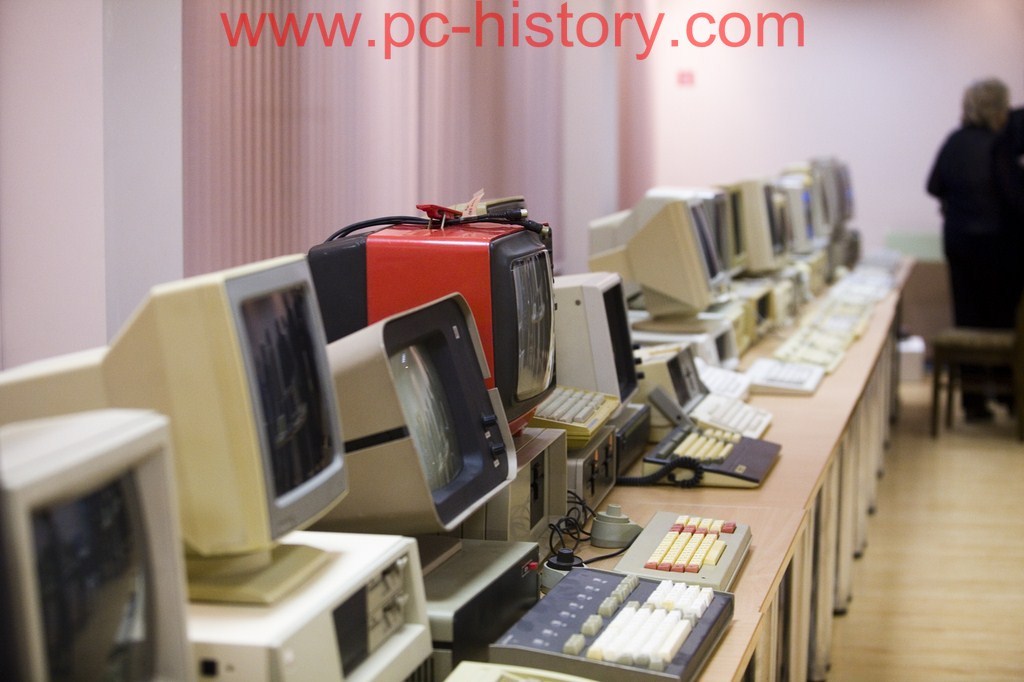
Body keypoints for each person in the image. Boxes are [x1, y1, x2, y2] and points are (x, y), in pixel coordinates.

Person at [926, 78, 1015, 421]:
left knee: (966, 319)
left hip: (959, 245)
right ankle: (1009, 396)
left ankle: (973, 402)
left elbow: (933, 185)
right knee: (1003, 323)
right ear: (998, 109)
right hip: (1001, 248)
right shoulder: (1001, 146)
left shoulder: (954, 141)